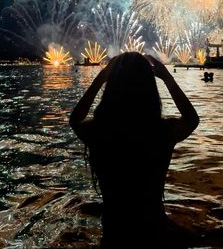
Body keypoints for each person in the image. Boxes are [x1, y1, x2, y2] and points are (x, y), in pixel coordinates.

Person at [69, 52, 200, 248]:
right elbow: (192, 119)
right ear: (149, 86)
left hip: (115, 233)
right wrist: (167, 78)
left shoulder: (99, 132)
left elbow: (75, 120)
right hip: (154, 230)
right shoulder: (161, 132)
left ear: (111, 86)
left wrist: (101, 78)